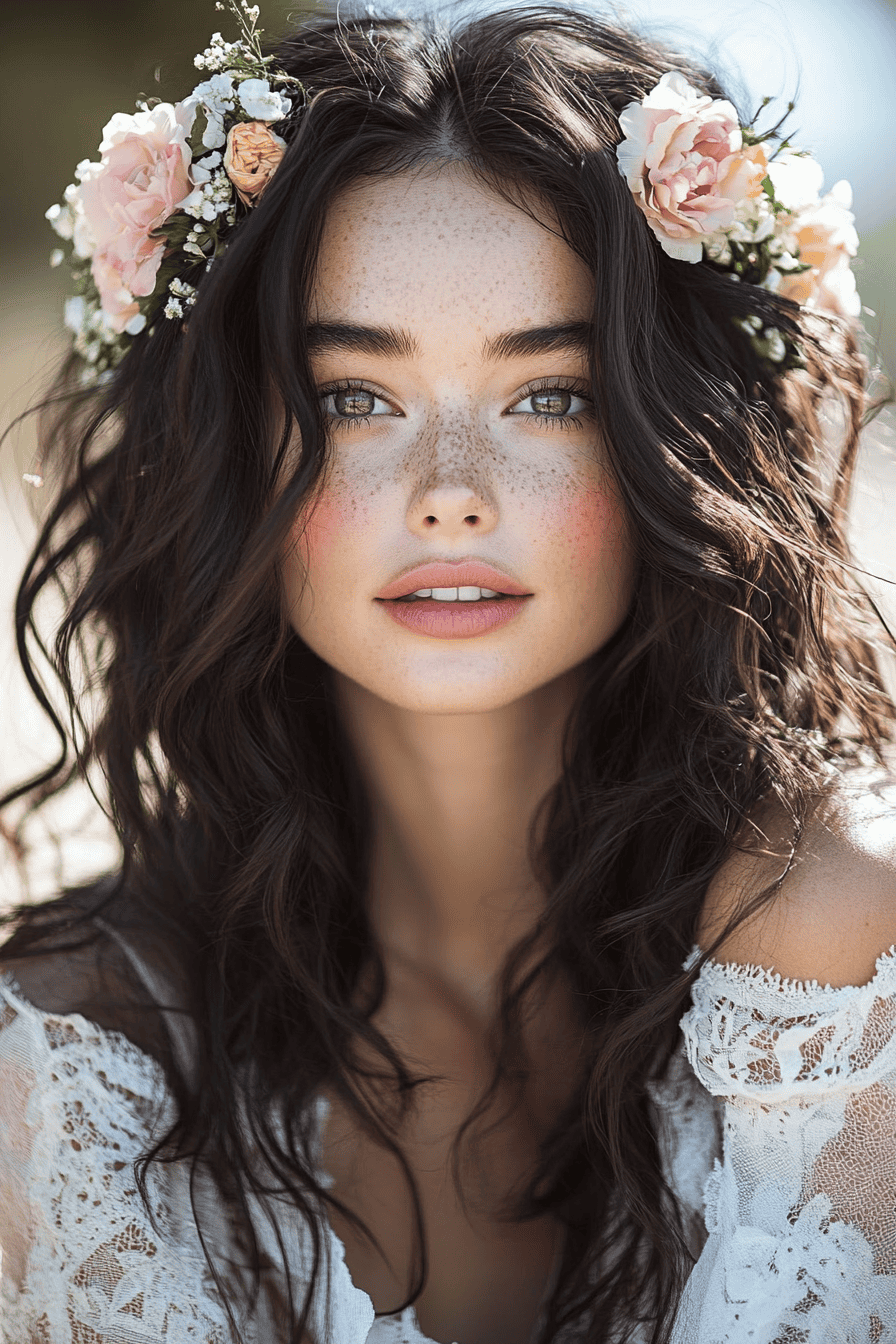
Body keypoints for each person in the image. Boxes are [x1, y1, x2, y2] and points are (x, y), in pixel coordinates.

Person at [0, 2, 894, 1341]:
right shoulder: (67, 1066)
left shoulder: (837, 960)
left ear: (677, 438)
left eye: (555, 394)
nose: (451, 497)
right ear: (230, 455)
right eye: (355, 399)